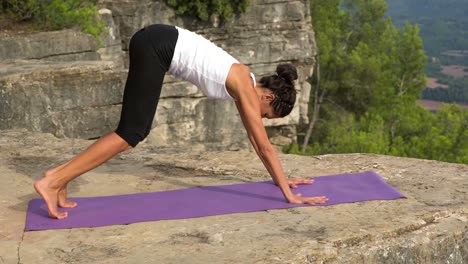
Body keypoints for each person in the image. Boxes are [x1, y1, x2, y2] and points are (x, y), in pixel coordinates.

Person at [34, 24, 329, 219]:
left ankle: (59, 176)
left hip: (156, 40)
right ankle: (53, 181)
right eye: (267, 115)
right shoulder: (246, 88)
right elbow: (265, 147)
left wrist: (280, 180)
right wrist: (289, 195)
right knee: (132, 132)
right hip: (156, 46)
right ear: (267, 99)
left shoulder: (246, 80)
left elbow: (256, 142)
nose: (262, 119)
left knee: (134, 130)